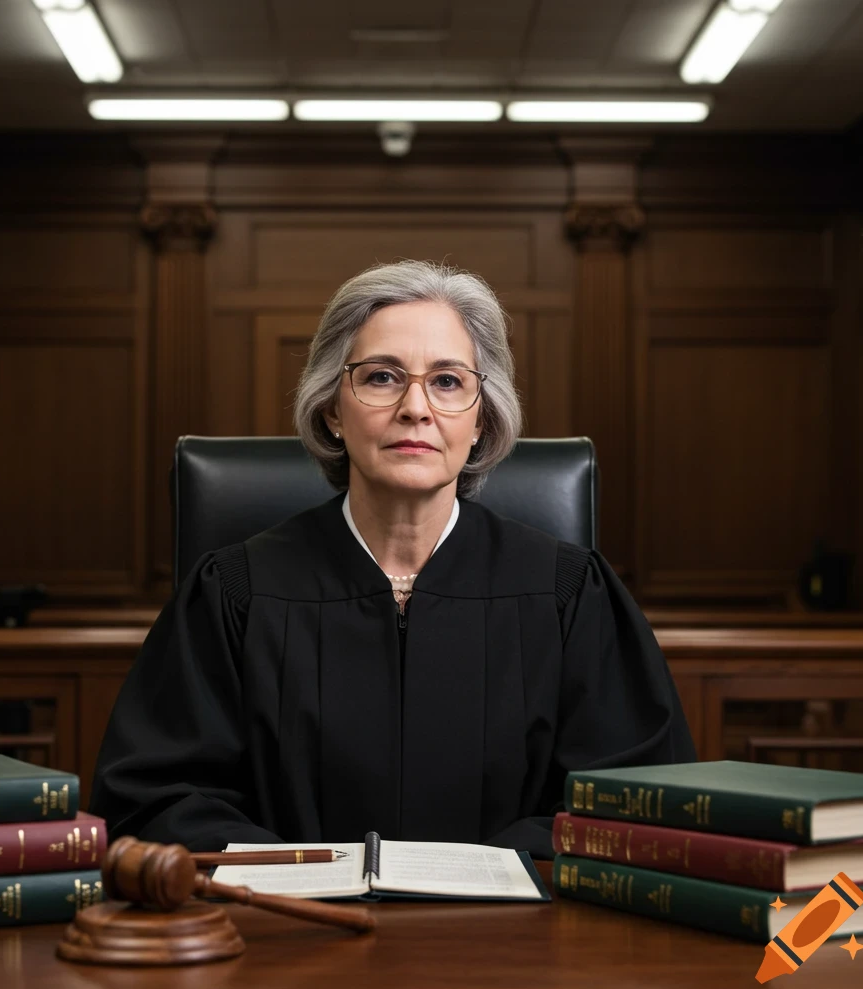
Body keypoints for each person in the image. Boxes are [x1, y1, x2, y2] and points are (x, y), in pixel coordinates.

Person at [89, 260, 696, 860]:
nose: (415, 407)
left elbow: (631, 801)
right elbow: (157, 799)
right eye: (382, 377)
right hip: (286, 918)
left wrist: (489, 875)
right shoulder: (235, 593)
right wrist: (301, 873)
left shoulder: (569, 594)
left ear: (481, 419)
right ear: (332, 409)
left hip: (516, 919)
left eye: (448, 381)